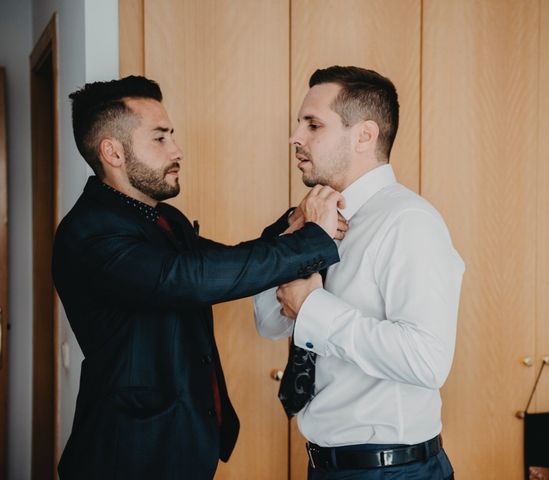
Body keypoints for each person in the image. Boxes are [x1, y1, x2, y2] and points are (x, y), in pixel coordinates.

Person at [53, 75, 346, 479]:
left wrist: (292, 226)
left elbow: (223, 263)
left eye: (171, 134)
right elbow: (189, 279)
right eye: (159, 138)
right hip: (130, 453)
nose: (177, 149)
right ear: (113, 152)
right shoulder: (88, 232)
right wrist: (312, 240)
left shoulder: (164, 218)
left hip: (187, 441)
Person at [253, 66, 465, 479]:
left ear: (365, 136)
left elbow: (427, 360)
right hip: (325, 465)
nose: (295, 137)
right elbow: (268, 324)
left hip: (392, 469)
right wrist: (293, 245)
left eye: (313, 124)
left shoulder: (408, 222)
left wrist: (313, 307)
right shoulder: (311, 218)